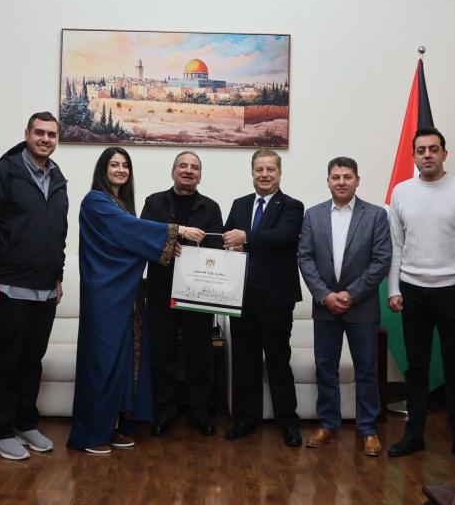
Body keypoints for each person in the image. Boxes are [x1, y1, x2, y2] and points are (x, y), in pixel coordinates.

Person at [68, 146, 206, 454]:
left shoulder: (121, 205)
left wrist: (161, 246)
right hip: (104, 295)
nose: (120, 170)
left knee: (122, 363)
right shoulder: (95, 201)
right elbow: (131, 231)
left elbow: (131, 240)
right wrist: (178, 231)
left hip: (124, 297)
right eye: (114, 164)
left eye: (125, 165)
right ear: (102, 169)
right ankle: (92, 434)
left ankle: (112, 426)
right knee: (102, 362)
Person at [0, 112, 68, 461]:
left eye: (51, 134)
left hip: (45, 289)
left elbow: (58, 233)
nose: (45, 139)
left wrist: (58, 276)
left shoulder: (58, 178)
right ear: (27, 134)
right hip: (9, 286)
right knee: (7, 362)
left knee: (32, 362)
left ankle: (26, 425)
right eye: (39, 132)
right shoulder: (5, 172)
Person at [385, 128, 455, 466]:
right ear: (413, 155)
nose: (427, 154)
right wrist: (394, 288)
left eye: (433, 149)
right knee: (416, 367)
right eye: (421, 150)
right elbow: (396, 245)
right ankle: (414, 434)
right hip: (413, 291)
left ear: (444, 153)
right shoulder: (401, 192)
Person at [297, 156, 391, 457]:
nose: (341, 182)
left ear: (357, 180)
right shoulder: (313, 215)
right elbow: (305, 258)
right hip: (325, 306)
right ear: (328, 181)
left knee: (367, 369)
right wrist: (325, 295)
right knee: (326, 367)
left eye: (347, 177)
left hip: (361, 306)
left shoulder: (375, 215)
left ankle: (368, 429)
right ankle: (328, 424)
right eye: (335, 177)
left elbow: (381, 260)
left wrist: (351, 294)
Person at [222, 148, 305, 447]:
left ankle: (288, 420)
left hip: (276, 299)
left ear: (280, 173)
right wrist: (228, 245)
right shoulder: (240, 204)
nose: (265, 174)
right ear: (252, 172)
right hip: (242, 297)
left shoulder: (292, 206)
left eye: (271, 169)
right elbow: (226, 237)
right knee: (245, 362)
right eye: (259, 169)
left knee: (279, 361)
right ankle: (248, 418)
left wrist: (245, 238)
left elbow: (284, 236)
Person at [140, 151, 224, 437]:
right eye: (183, 166)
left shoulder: (211, 207)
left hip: (198, 294)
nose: (188, 170)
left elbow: (216, 249)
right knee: (162, 353)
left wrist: (188, 248)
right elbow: (144, 239)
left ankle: (199, 412)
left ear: (200, 175)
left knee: (199, 355)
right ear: (173, 171)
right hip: (161, 292)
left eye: (194, 167)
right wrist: (170, 241)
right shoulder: (154, 203)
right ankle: (164, 412)